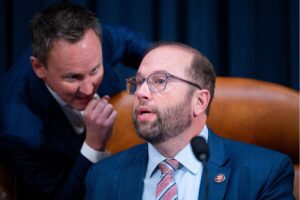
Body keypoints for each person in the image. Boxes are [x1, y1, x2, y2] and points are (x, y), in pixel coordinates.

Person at [85, 42, 295, 200]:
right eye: (139, 82)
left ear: (200, 101)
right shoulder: (103, 177)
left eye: (159, 81)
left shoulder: (265, 174)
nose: (141, 92)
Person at [0, 3, 149, 200]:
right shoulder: (19, 132)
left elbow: (128, 40)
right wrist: (93, 145)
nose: (89, 89)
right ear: (39, 68)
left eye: (95, 70)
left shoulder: (90, 42)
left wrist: (163, 66)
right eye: (73, 77)